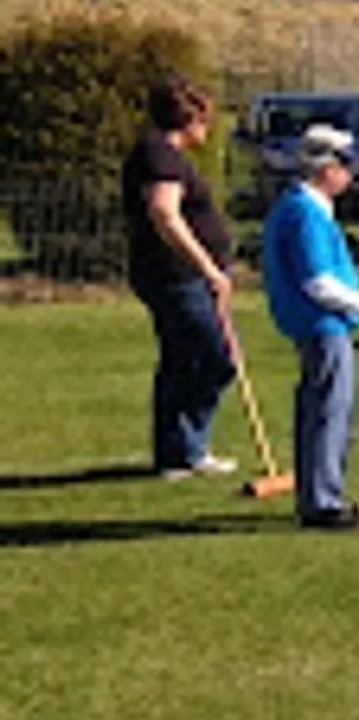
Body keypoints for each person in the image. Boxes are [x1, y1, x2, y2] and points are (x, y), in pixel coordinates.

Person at [262, 124, 359, 531]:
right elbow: (319, 282)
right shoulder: (305, 213)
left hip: (323, 325)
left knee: (324, 408)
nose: (351, 173)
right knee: (330, 411)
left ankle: (320, 491)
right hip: (322, 324)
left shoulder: (304, 210)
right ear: (325, 167)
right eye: (345, 164)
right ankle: (323, 501)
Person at [121, 75, 241, 479]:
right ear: (188, 120)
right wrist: (208, 268)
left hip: (186, 276)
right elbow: (164, 213)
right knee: (213, 357)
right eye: (204, 121)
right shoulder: (160, 156)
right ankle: (180, 450)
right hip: (176, 276)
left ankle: (186, 450)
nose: (207, 130)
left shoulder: (163, 155)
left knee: (185, 358)